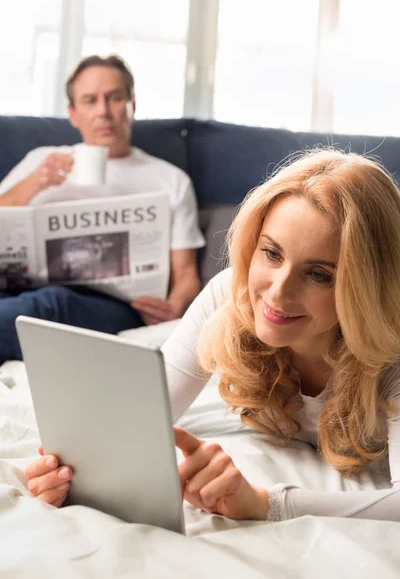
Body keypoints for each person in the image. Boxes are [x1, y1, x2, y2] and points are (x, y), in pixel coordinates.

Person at [24, 149, 400, 521]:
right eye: (270, 253)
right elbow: (139, 418)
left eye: (319, 275)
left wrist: (266, 503)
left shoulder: (391, 356)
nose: (278, 292)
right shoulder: (229, 295)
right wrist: (64, 473)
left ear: (368, 287)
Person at [0, 55, 204, 361]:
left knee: (51, 304)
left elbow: (186, 273)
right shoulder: (40, 160)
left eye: (114, 98)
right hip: (15, 291)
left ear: (132, 104)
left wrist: (174, 309)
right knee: (37, 304)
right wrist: (32, 185)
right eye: (90, 100)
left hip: (111, 305)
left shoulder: (170, 180)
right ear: (72, 113)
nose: (103, 112)